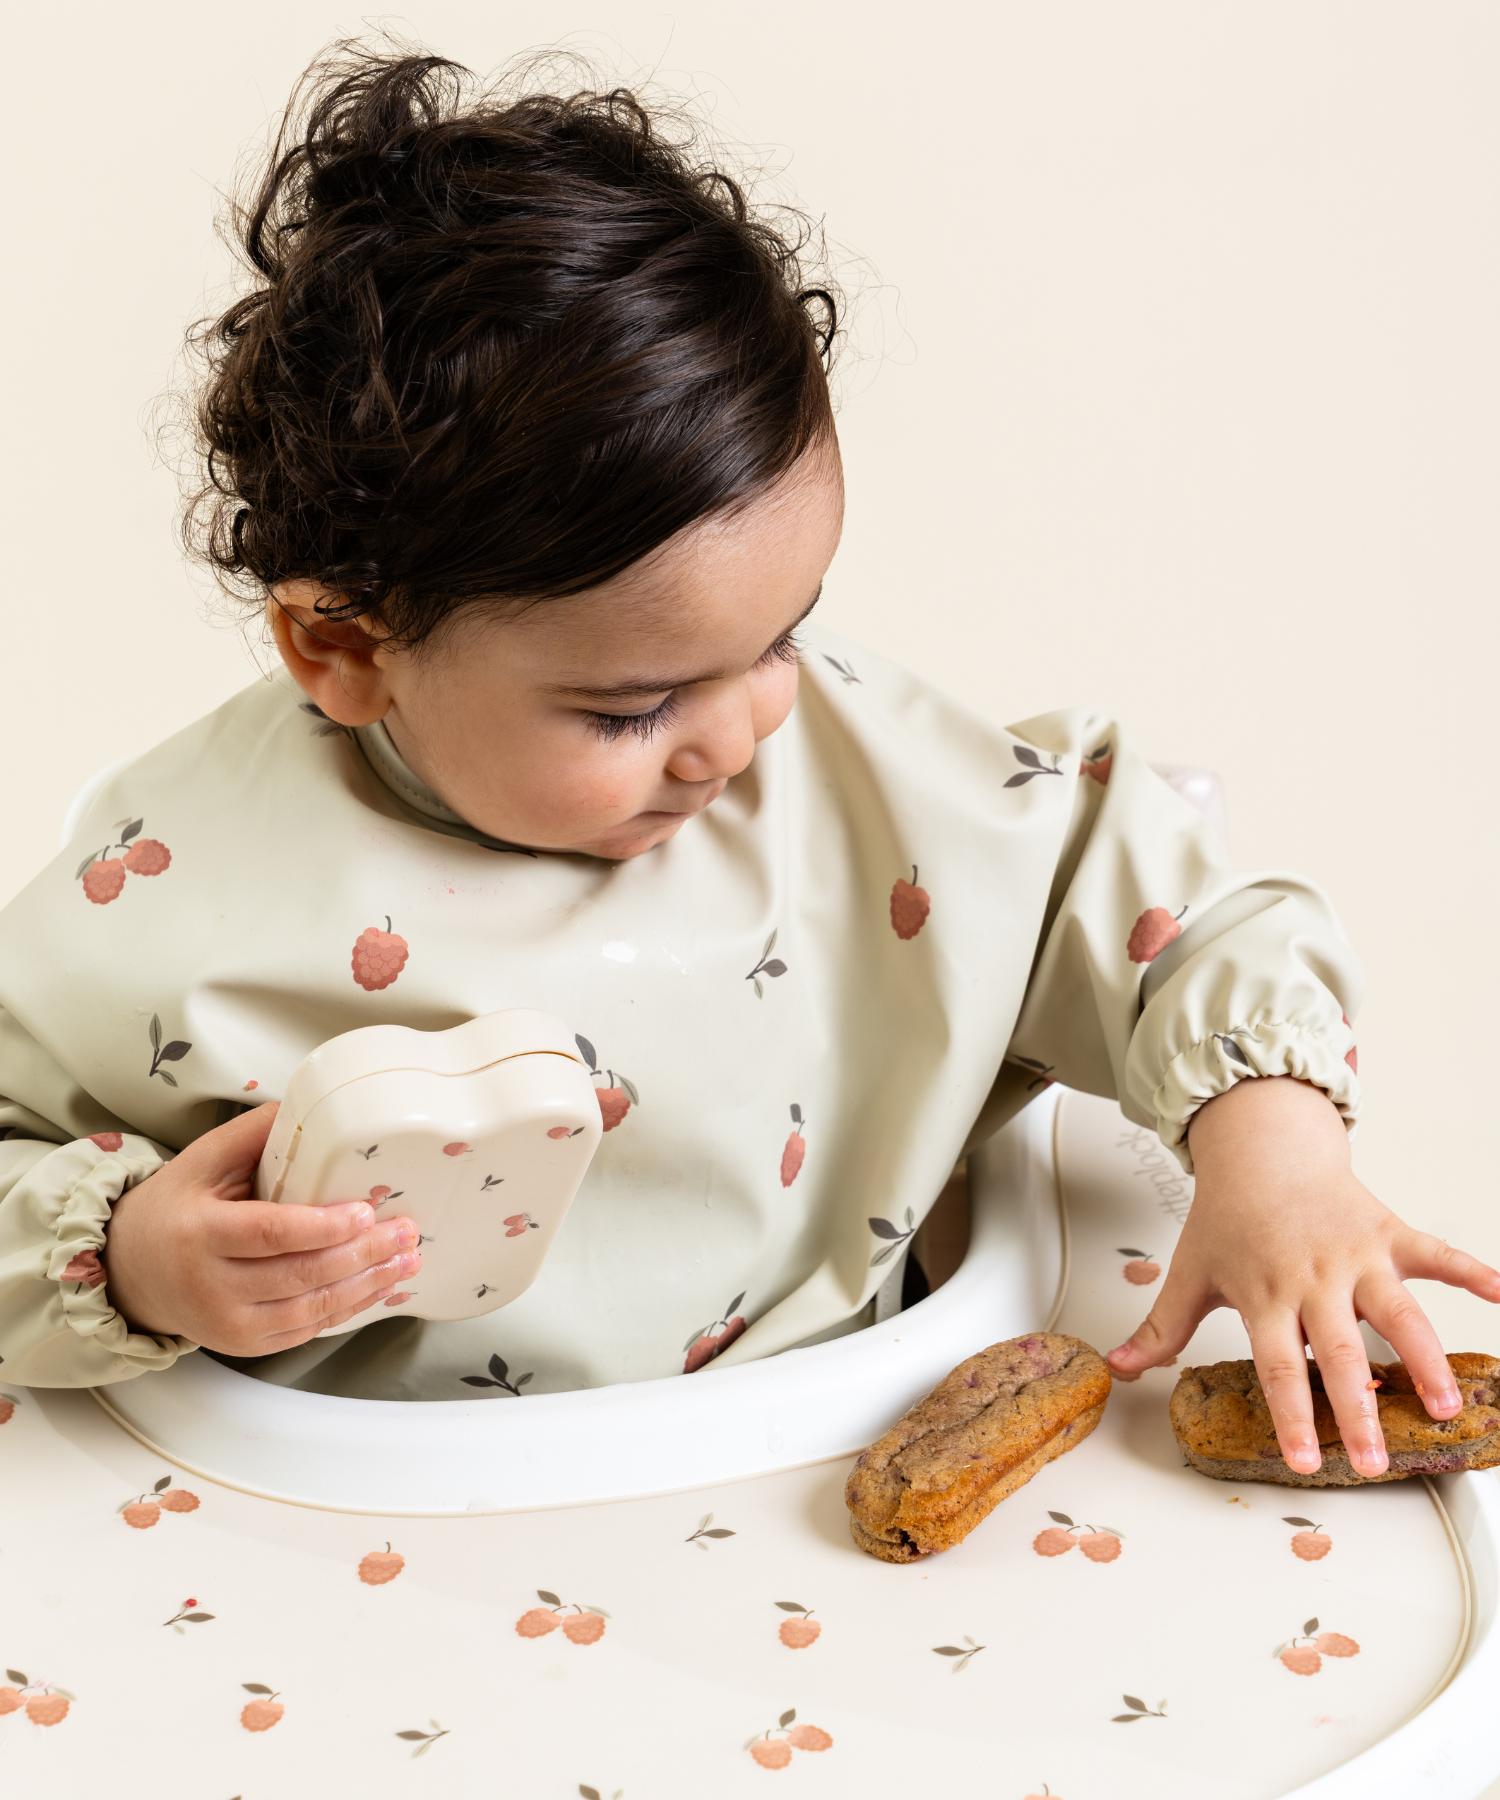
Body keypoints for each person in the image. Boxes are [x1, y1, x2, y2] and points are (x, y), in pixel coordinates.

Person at [2, 37, 1495, 1480]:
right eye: (629, 711)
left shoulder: (856, 777)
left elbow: (1158, 901)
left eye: (784, 636)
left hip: (831, 1480)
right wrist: (131, 1261)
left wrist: (1275, 1153)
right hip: (370, 1549)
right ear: (343, 647)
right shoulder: (169, 902)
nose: (737, 736)